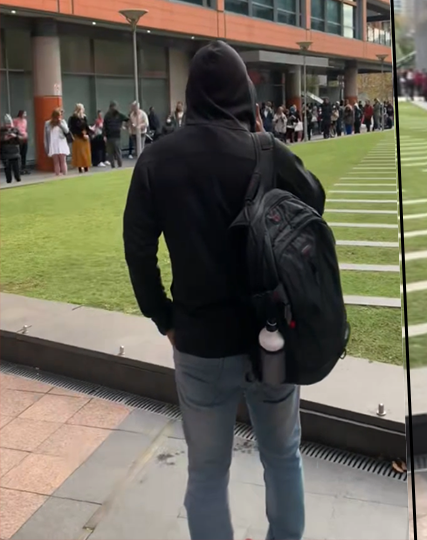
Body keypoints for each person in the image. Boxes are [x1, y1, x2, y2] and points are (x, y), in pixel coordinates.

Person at [124, 41, 324, 540]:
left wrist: (163, 317)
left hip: (198, 339)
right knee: (282, 456)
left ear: (191, 95)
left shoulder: (157, 160)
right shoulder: (265, 151)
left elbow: (137, 250)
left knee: (207, 472)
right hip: (271, 337)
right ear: (245, 94)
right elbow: (314, 203)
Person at [44, 108, 72, 176]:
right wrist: (46, 146)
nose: (60, 117)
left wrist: (60, 123)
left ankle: (65, 175)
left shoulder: (62, 122)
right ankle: (57, 175)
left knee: (63, 161)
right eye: (58, 115)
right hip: (53, 144)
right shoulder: (47, 123)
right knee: (56, 162)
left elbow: (67, 131)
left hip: (61, 142)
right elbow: (45, 135)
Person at [68, 103, 92, 174]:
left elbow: (87, 127)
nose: (84, 109)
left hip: (85, 136)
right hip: (78, 136)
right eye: (82, 108)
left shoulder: (84, 117)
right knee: (79, 153)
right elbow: (73, 129)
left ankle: (86, 166)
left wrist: (88, 134)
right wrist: (82, 135)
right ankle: (80, 167)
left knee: (86, 152)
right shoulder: (73, 118)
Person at [2, 115, 24, 183]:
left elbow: (22, 140)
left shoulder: (15, 130)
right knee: (8, 172)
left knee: (17, 172)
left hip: (15, 153)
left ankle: (18, 180)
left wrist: (16, 136)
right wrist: (4, 139)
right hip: (5, 154)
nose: (9, 125)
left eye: (9, 123)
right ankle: (9, 182)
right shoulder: (1, 131)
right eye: (7, 123)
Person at [104, 102, 126, 168]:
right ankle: (116, 165)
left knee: (114, 151)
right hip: (112, 135)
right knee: (114, 151)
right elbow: (104, 126)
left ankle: (117, 165)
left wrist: (123, 125)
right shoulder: (109, 115)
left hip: (113, 135)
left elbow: (126, 119)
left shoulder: (115, 115)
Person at [13, 109, 28, 174]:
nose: (25, 115)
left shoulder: (25, 121)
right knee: (18, 154)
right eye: (24, 113)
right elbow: (13, 129)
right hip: (18, 138)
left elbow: (25, 129)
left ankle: (23, 168)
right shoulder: (15, 120)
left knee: (24, 154)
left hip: (24, 138)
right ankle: (18, 169)